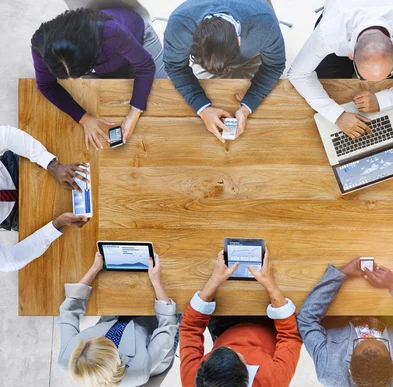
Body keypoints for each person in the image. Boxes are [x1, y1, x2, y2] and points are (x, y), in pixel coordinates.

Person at [287, 0, 393, 139]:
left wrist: (383, 99)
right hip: (341, 21)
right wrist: (337, 115)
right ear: (351, 55)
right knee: (327, 82)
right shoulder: (329, 32)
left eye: (387, 73)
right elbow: (298, 73)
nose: (369, 84)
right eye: (362, 76)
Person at [32, 7, 167, 150]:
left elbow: (146, 66)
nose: (72, 80)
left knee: (163, 94)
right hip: (106, 61)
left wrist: (134, 113)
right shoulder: (41, 43)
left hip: (139, 41)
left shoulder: (111, 32)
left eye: (78, 74)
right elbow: (46, 86)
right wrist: (83, 118)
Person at [297, 257, 393, 387]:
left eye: (360, 341)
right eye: (381, 341)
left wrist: (340, 274)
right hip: (384, 309)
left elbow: (306, 321)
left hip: (338, 310)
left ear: (349, 368)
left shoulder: (329, 372)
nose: (369, 335)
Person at [164, 0, 286, 143]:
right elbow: (174, 66)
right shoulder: (179, 26)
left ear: (239, 41)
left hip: (252, 55)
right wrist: (202, 109)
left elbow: (274, 65)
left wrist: (247, 107)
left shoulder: (265, 23)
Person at [179, 250, 302, 387]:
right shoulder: (273, 381)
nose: (232, 346)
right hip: (271, 324)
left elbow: (189, 329)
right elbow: (290, 336)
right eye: (236, 353)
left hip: (224, 327)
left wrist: (213, 281)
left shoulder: (194, 380)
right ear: (246, 375)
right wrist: (271, 285)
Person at [58, 253, 179, 386]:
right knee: (177, 305)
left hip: (115, 319)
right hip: (153, 335)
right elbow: (167, 328)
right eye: (101, 339)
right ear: (115, 352)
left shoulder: (67, 358)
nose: (91, 336)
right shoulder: (139, 369)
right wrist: (156, 281)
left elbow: (68, 311)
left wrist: (94, 269)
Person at [0, 125, 89, 272]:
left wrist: (51, 164)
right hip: (18, 214)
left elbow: (5, 135)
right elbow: (9, 262)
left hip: (17, 168)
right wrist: (56, 225)